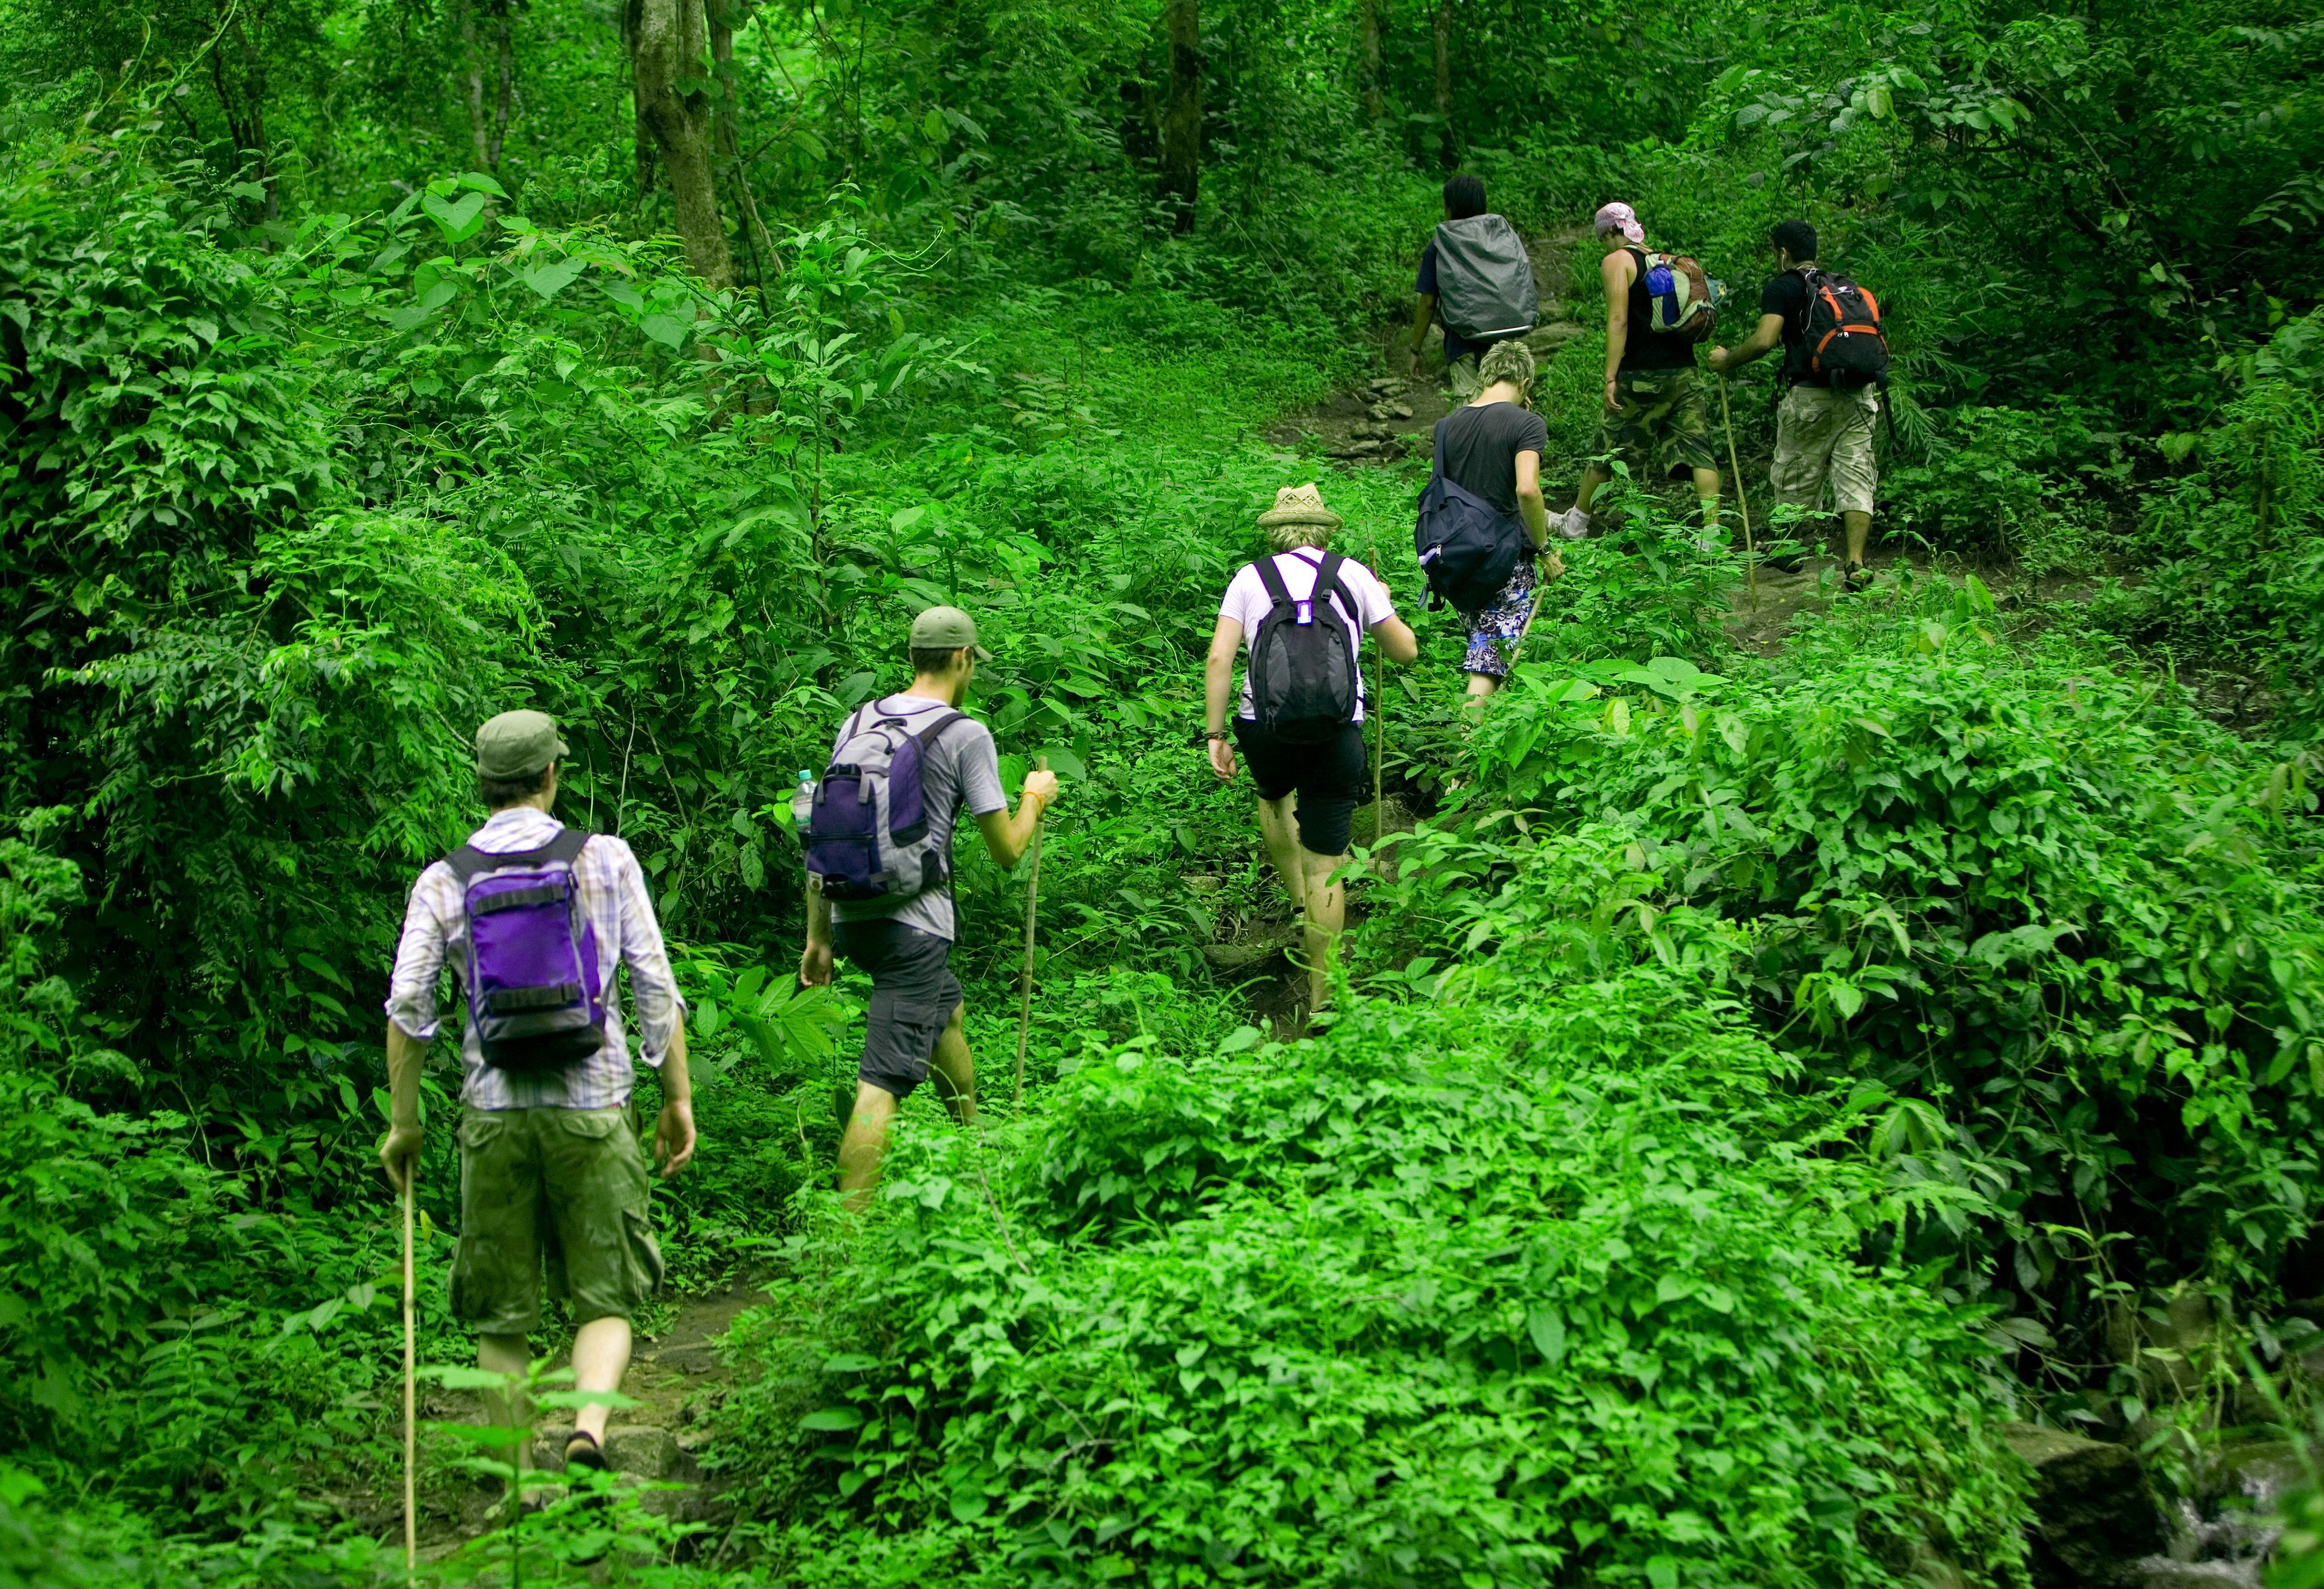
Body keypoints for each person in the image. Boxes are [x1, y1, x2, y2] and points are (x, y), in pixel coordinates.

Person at [380, 709, 696, 1480]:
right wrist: (676, 1096)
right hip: (593, 1106)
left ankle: (519, 1481)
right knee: (607, 1294)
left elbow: (408, 1009)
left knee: (500, 1312)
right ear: (552, 775)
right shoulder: (606, 859)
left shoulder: (444, 879)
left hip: (492, 1116)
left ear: (483, 785)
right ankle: (589, 1425)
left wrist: (404, 1123)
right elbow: (655, 983)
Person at [797, 606, 1059, 1211]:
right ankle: (844, 1242)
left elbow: (822, 830)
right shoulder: (963, 733)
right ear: (963, 658)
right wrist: (1033, 797)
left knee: (947, 1014)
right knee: (881, 1084)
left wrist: (820, 937)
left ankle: (974, 1156)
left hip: (850, 914)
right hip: (913, 926)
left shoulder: (857, 720)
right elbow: (1006, 851)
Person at [1204, 483, 1419, 1018]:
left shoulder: (1248, 579)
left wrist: (1215, 735)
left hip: (1264, 727)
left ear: (1274, 532)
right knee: (1328, 862)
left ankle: (1298, 899)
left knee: (1274, 794)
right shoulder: (1353, 575)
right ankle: (1324, 995)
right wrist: (1381, 602)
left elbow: (1219, 660)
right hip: (1336, 731)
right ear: (1325, 528)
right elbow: (1406, 651)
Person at [1709, 219, 1879, 588]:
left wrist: (1728, 360)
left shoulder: (1784, 286)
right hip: (1857, 395)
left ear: (1782, 252)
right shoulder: (1841, 286)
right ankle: (1855, 562)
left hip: (1810, 396)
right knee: (1855, 475)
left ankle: (1790, 551)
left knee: (1796, 471)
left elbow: (1764, 340)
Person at [1558, 201, 1721, 540]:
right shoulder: (1666, 260)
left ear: (1609, 232)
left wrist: (1610, 377)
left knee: (1608, 445)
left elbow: (1618, 320)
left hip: (1641, 375)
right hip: (1685, 373)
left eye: (1603, 238)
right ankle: (1712, 534)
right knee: (1698, 449)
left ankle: (1576, 523)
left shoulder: (1617, 261)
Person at [1434, 338, 1565, 700]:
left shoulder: (1448, 425)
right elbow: (1527, 489)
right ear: (1524, 383)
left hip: (1457, 558)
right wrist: (1545, 549)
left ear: (1486, 375)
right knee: (1489, 663)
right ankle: (1471, 744)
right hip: (1503, 557)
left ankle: (1485, 739)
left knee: (1484, 650)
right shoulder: (1525, 423)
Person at [1405, 173, 1532, 398]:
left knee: (1471, 417)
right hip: (1506, 345)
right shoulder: (1502, 235)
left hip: (1463, 346)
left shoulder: (1442, 242)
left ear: (1450, 207)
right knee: (1505, 411)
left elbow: (1427, 303)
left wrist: (1415, 349)